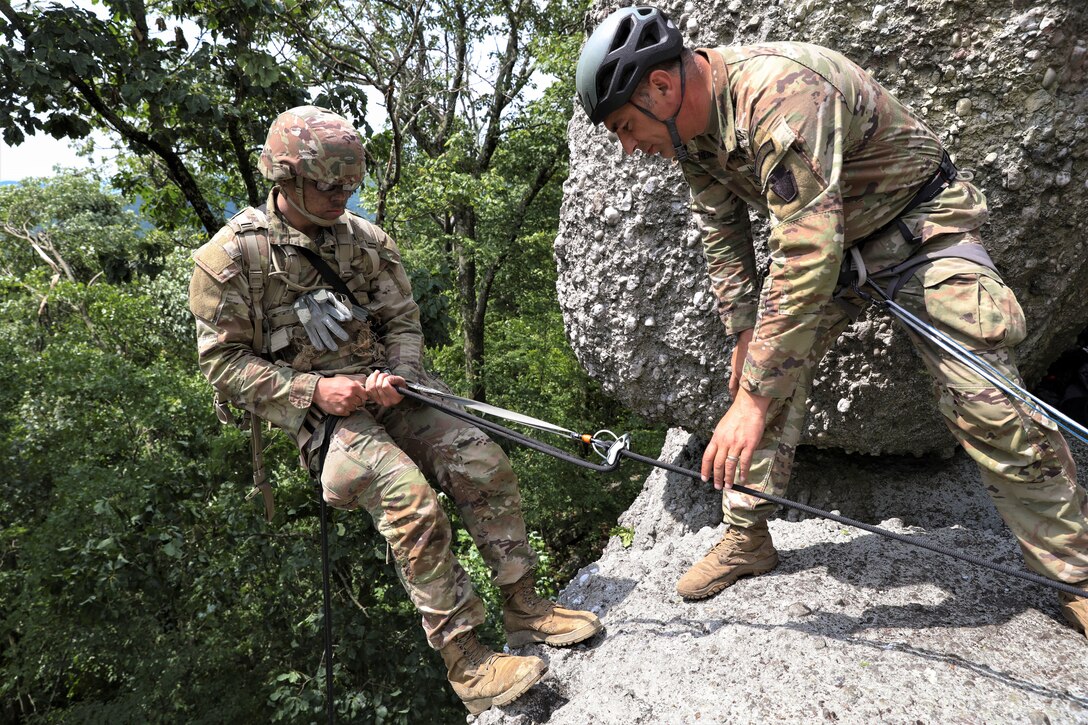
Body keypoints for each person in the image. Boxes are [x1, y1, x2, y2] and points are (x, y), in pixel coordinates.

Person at [575, 7, 1088, 634]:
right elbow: (721, 227)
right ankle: (747, 536)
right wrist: (745, 337)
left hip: (920, 232)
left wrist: (755, 396)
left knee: (987, 403)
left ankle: (1077, 576)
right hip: (840, 252)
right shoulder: (689, 128)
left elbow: (806, 251)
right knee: (761, 369)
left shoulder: (779, 93)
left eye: (626, 127)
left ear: (660, 88)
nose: (629, 147)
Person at [188, 105, 602, 713]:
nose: (341, 198)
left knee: (480, 459)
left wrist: (400, 377)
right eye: (328, 186)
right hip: (319, 418)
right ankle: (467, 663)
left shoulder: (367, 243)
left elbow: (402, 322)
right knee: (408, 498)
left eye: (349, 186)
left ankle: (524, 607)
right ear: (286, 179)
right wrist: (313, 392)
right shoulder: (231, 261)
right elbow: (221, 365)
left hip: (391, 394)